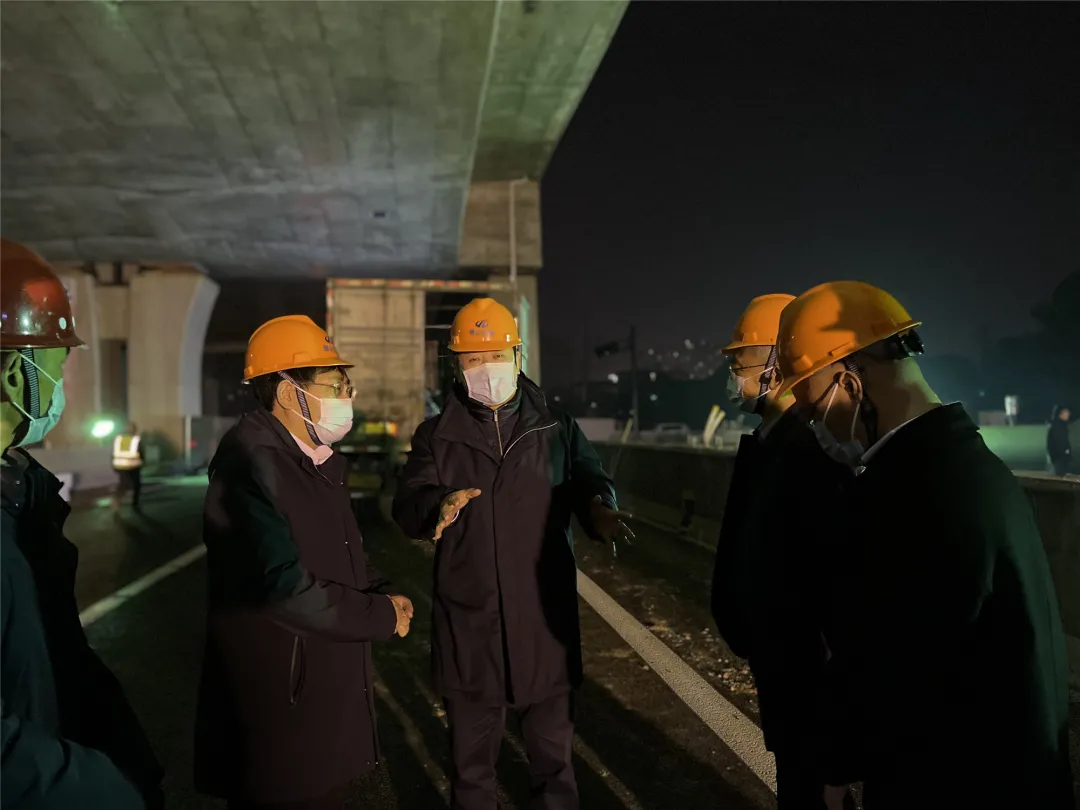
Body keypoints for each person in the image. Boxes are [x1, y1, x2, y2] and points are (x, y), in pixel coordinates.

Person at [773, 280, 1074, 808]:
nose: (815, 427)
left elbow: (895, 667)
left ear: (849, 383)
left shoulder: (920, 493)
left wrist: (832, 766)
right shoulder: (969, 468)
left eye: (813, 409)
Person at [392, 298, 632, 810]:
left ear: (518, 357)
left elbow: (589, 479)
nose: (487, 368)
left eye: (497, 356)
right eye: (473, 358)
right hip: (470, 627)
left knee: (554, 769)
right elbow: (409, 502)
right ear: (456, 365)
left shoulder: (556, 427)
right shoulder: (435, 436)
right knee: (472, 773)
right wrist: (437, 504)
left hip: (543, 624)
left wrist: (599, 508)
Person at [194, 315, 415, 810]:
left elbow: (337, 553)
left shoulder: (310, 461)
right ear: (288, 393)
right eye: (334, 385)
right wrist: (378, 616)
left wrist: (379, 592)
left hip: (311, 701)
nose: (346, 397)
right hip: (279, 710)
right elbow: (282, 587)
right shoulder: (250, 467)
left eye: (346, 386)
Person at [0, 238, 164, 808]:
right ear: (15, 376)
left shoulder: (21, 495)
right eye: (58, 363)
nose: (63, 383)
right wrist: (109, 790)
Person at [710, 294, 854, 810]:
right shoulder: (771, 442)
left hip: (806, 674)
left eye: (742, 360)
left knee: (809, 784)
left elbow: (828, 589)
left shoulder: (808, 451)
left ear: (779, 360)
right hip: (781, 664)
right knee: (794, 774)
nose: (734, 373)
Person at [112, 421, 144, 509]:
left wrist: (113, 465)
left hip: (121, 465)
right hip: (132, 466)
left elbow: (113, 452)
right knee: (135, 484)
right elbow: (141, 452)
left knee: (124, 484)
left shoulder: (119, 439)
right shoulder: (135, 440)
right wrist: (142, 462)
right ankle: (134, 502)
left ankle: (117, 500)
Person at [1047, 404, 1072, 476]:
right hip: (1059, 459)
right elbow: (1059, 443)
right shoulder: (1058, 427)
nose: (1068, 414)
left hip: (1061, 459)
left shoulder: (1062, 426)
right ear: (1060, 414)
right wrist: (1066, 453)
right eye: (1066, 412)